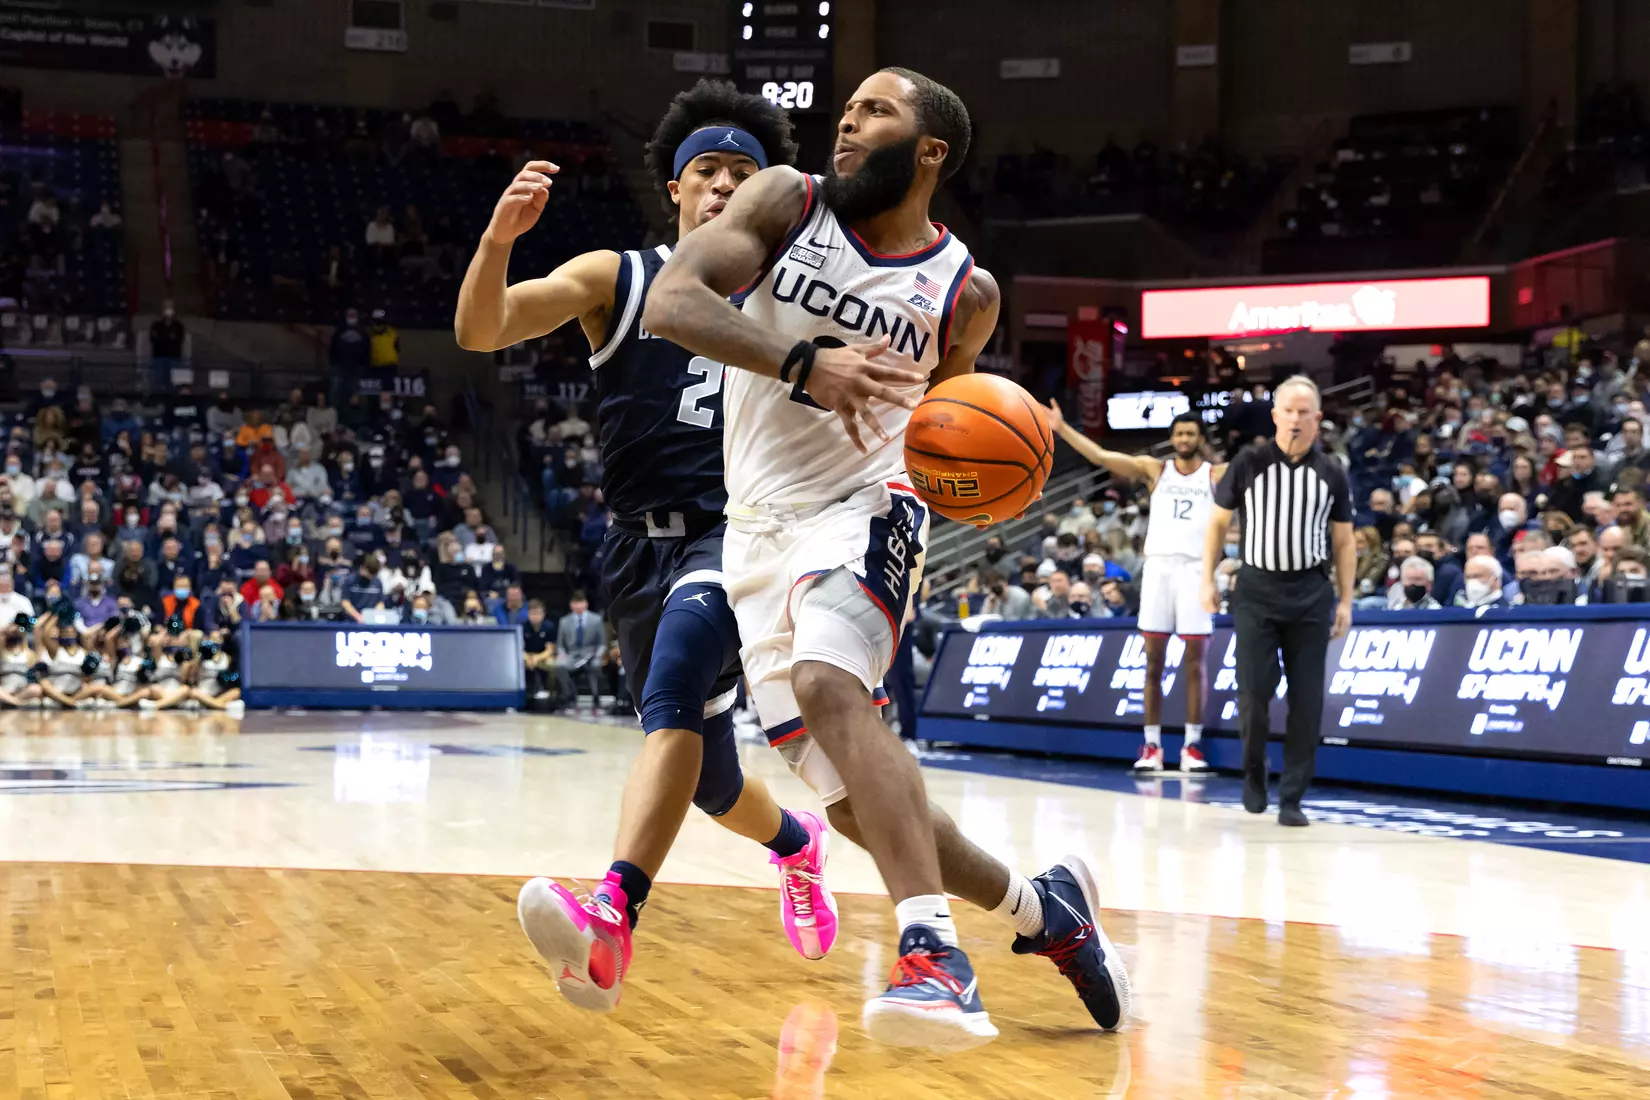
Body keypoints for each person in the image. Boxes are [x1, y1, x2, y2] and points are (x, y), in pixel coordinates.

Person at [644, 68, 1128, 1047]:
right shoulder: (788, 201)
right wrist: (802, 360)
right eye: (849, 109)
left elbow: (940, 424)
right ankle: (1048, 912)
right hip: (756, 532)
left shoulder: (966, 291)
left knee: (831, 681)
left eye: (877, 110)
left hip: (866, 509)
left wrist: (972, 480)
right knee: (856, 809)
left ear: (932, 149)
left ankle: (933, 957)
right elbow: (671, 301)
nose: (850, 123)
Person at [459, 82, 845, 1013]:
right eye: (705, 171)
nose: (722, 186)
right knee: (707, 775)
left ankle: (612, 914)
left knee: (674, 687)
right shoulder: (619, 277)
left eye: (742, 173)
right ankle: (796, 844)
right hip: (636, 549)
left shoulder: (793, 302)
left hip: (742, 536)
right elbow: (481, 329)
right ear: (675, 188)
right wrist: (498, 239)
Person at [1201, 376, 1354, 828]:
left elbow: (1344, 542)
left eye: (1304, 411)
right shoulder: (1248, 461)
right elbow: (1216, 525)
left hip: (1310, 592)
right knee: (1253, 692)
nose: (1295, 418)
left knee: (1307, 700)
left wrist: (1346, 600)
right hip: (1256, 589)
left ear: (1317, 419)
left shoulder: (1332, 472)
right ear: (1274, 416)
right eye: (1288, 410)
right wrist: (1206, 578)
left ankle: (1292, 797)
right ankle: (1253, 773)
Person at [1049, 406, 1224, 774]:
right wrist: (1063, 427)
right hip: (1159, 569)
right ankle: (1152, 746)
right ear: (1172, 438)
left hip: (1195, 569)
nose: (1184, 440)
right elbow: (1100, 456)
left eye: (1191, 434)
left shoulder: (1215, 474)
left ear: (1201, 439)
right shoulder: (1154, 470)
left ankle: (1192, 745)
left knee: (1196, 663)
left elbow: (1257, 473)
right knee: (1152, 664)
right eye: (1179, 434)